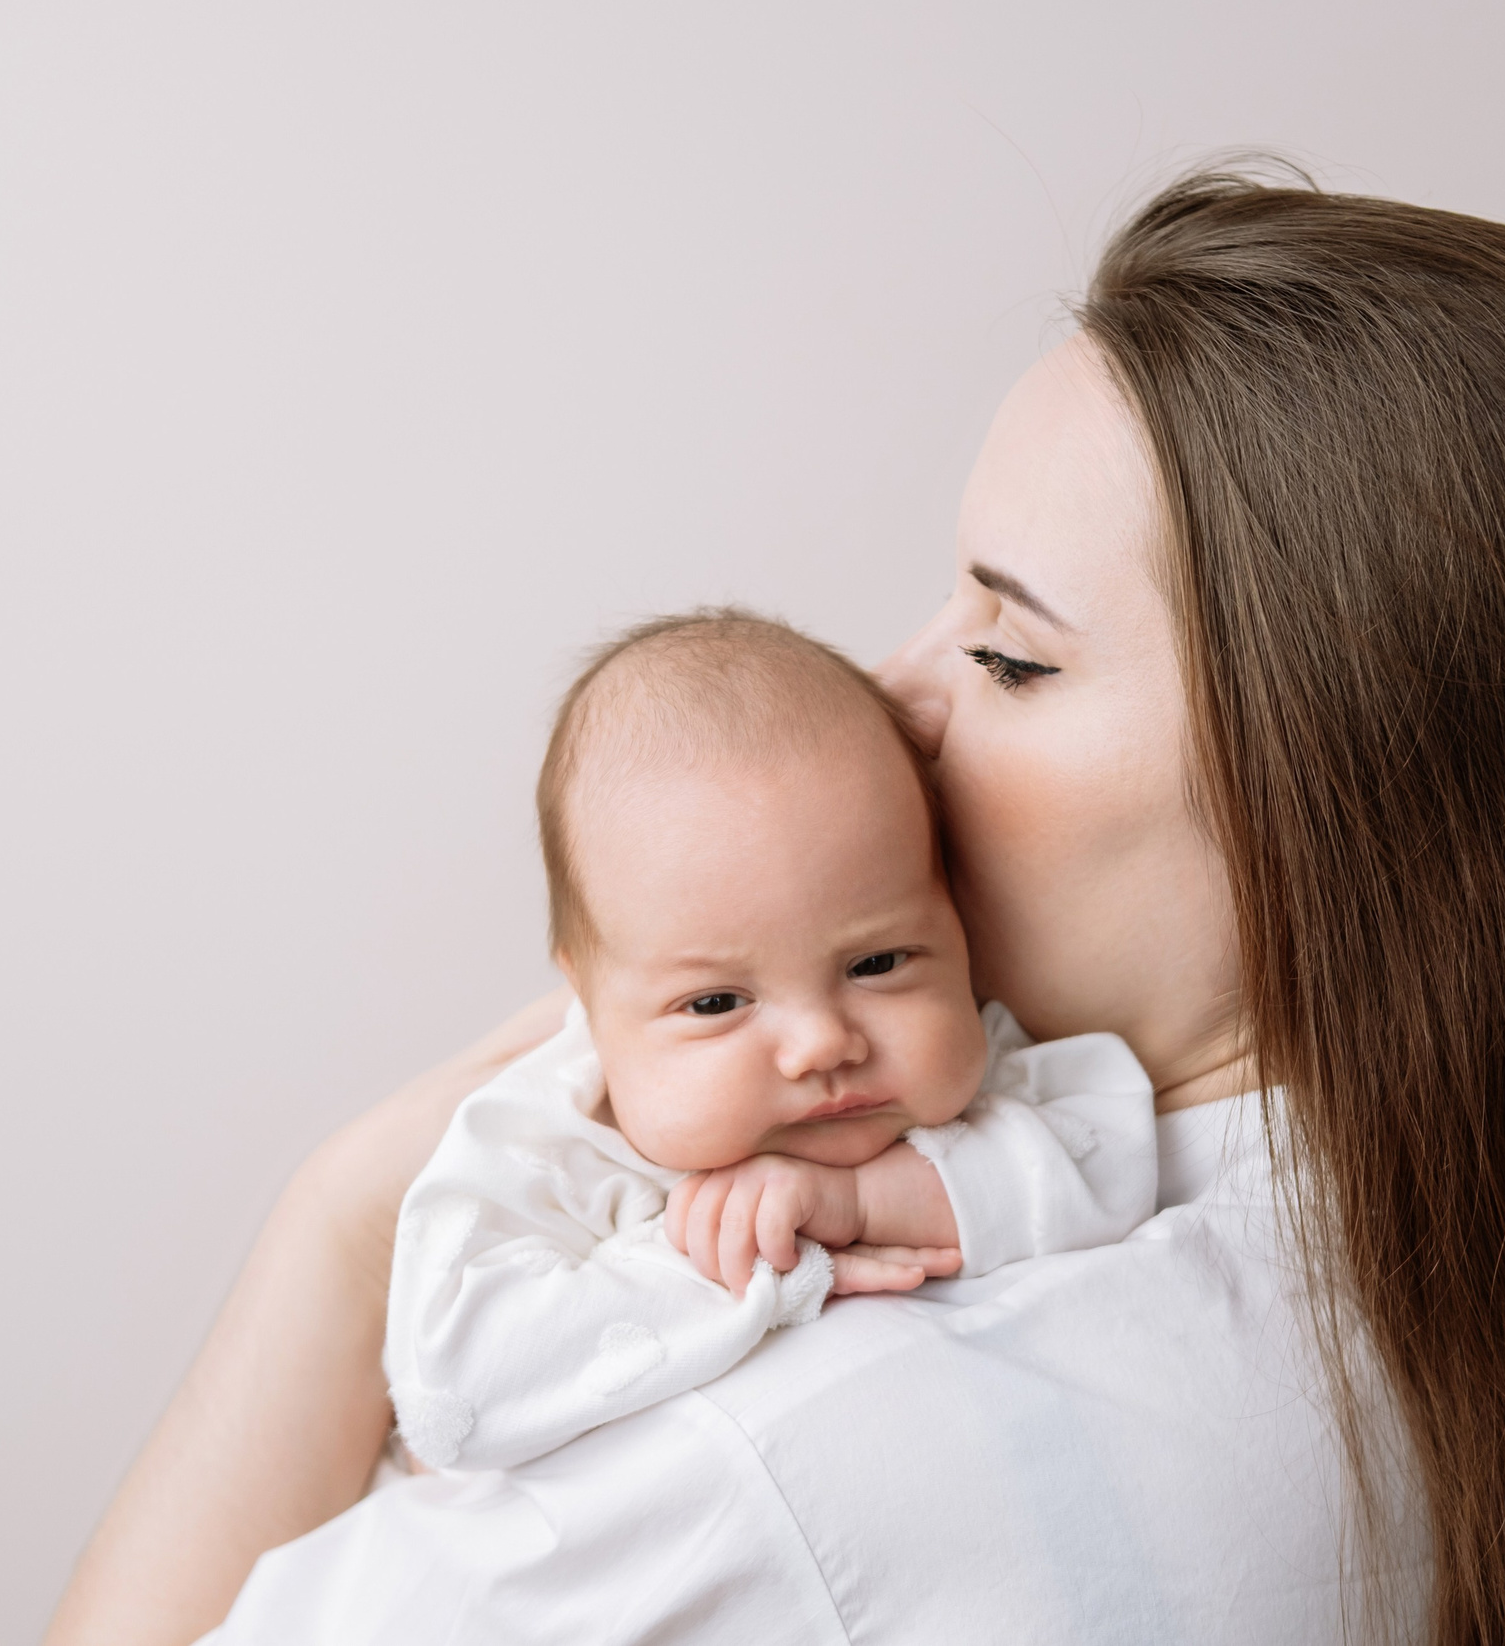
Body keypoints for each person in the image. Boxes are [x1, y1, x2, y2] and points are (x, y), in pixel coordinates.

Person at [45, 167, 1505, 1646]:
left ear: (1340, 793)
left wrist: (343, 1219)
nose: (892, 692)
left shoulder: (786, 1454)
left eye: (1012, 654)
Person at [384, 610, 1157, 1474]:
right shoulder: (546, 1144)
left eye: (877, 962)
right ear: (590, 1004)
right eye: (717, 1002)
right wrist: (759, 1257)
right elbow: (453, 1399)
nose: (822, 1043)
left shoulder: (983, 1058)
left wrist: (862, 1203)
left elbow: (1118, 1159)